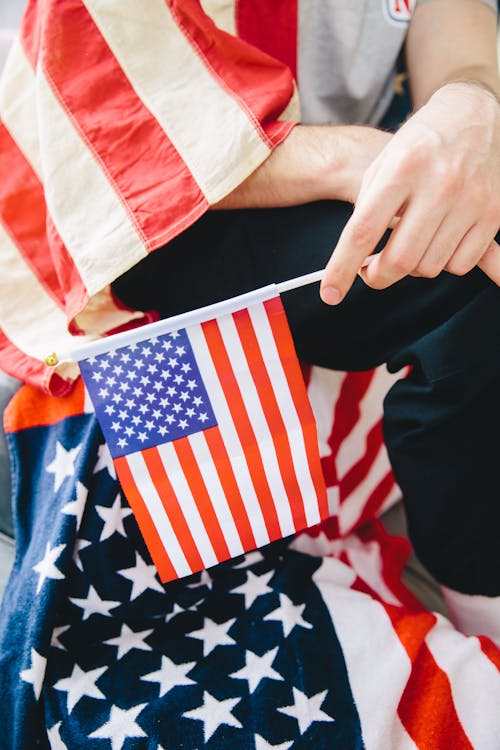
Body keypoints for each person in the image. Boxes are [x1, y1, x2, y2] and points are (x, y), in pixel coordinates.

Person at [0, 2, 499, 745]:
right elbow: (120, 117)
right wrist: (369, 161)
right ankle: (482, 594)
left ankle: (475, 586)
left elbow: (454, 35)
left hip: (333, 153)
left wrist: (469, 106)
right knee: (462, 283)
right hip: (148, 196)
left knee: (469, 234)